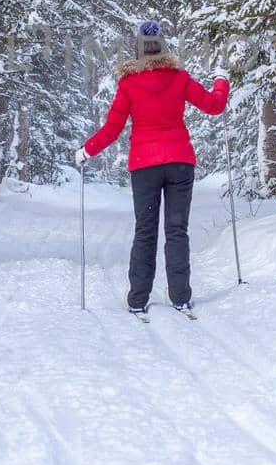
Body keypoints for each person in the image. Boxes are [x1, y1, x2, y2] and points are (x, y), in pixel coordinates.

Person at [75, 20, 229, 314]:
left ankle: (138, 299)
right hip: (180, 164)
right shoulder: (179, 78)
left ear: (138, 50)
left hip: (145, 167)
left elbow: (112, 129)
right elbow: (213, 105)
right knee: (177, 230)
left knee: (145, 231)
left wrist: (87, 150)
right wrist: (221, 80)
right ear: (163, 47)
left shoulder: (129, 84)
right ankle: (181, 296)